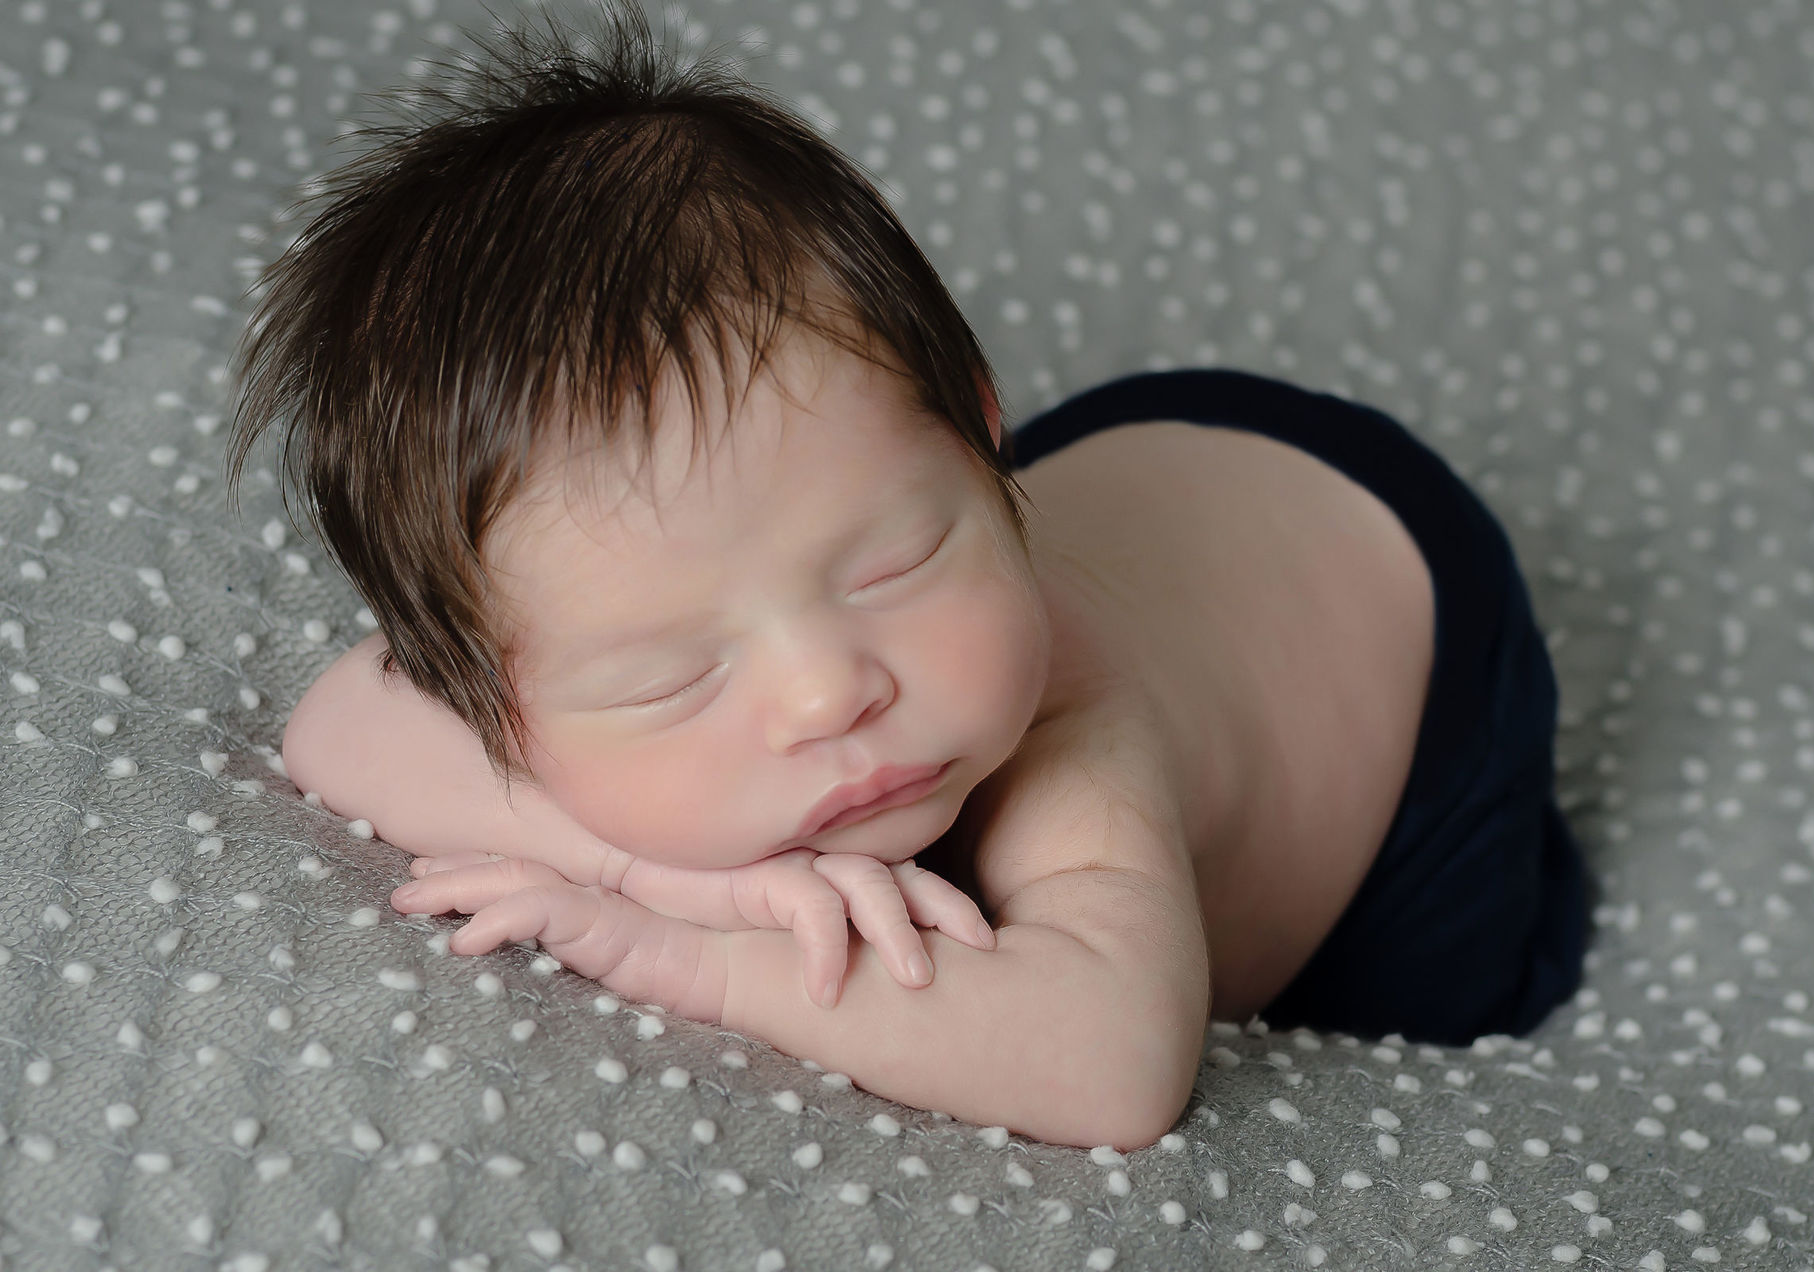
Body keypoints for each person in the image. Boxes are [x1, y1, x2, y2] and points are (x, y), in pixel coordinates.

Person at [226, 3, 1591, 1152]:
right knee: (822, 500)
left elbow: (1114, 1065)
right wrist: (702, 876)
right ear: (498, 705)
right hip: (1100, 482)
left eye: (897, 563)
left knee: (1433, 984)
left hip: (1404, 642)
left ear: (980, 427)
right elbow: (335, 726)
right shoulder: (679, 592)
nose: (829, 691)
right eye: (670, 674)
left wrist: (683, 951)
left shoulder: (1077, 726)